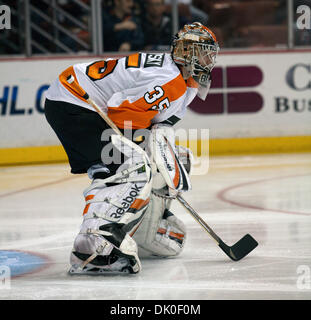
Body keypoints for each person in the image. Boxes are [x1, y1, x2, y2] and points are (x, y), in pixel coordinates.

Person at [44, 22, 219, 274]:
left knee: (144, 162)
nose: (209, 58)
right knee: (130, 167)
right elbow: (123, 113)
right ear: (187, 52)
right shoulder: (170, 79)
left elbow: (151, 125)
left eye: (211, 52)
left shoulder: (183, 80)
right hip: (76, 101)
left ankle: (139, 232)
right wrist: (142, 153)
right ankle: (94, 245)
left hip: (77, 100)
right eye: (203, 51)